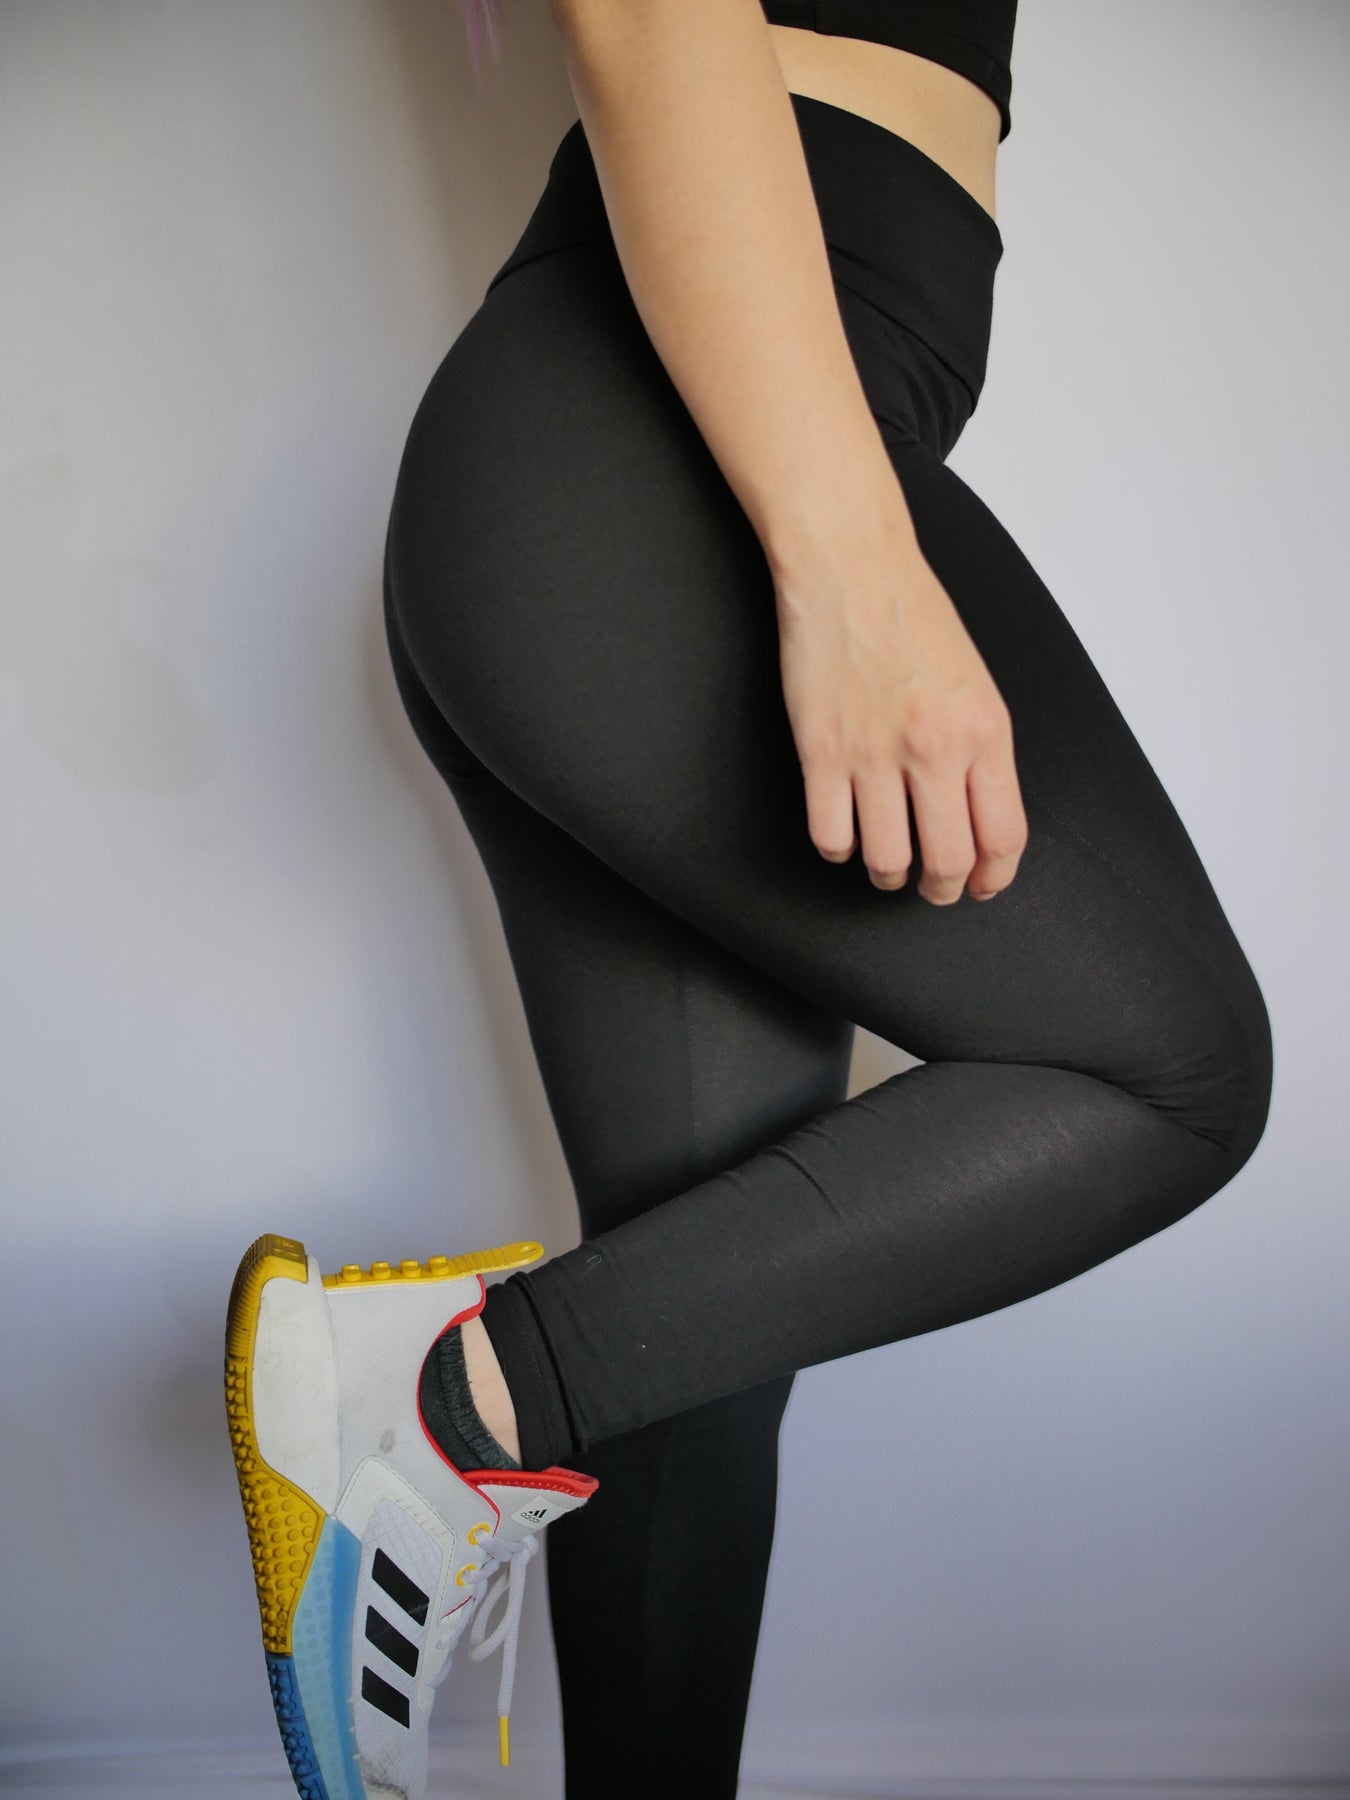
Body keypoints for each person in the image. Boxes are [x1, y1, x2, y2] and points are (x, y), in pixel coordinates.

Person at [223, 3, 1274, 1797]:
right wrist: (854, 571)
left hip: (625, 472)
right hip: (676, 454)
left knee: (688, 1345)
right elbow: (647, 18)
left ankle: (488, 1414)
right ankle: (434, 1404)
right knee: (1169, 1072)